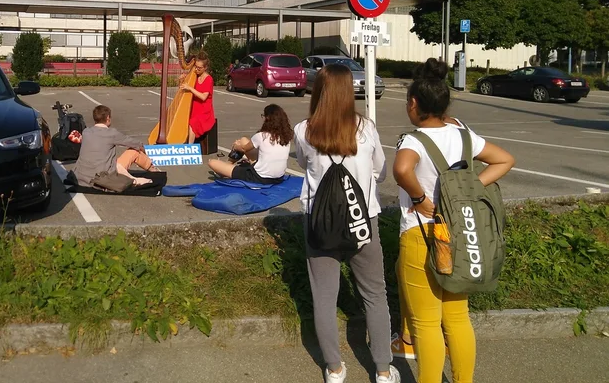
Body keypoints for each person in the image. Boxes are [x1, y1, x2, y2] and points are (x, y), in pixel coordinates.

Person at [393, 58, 514, 383]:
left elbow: (403, 170)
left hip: (423, 235)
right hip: (460, 233)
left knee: (426, 324)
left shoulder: (414, 140)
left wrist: (420, 199)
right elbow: (505, 159)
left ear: (414, 104)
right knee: (458, 318)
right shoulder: (464, 136)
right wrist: (471, 187)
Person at [294, 64, 400, 383]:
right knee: (374, 293)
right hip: (362, 219)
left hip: (319, 221)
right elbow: (381, 170)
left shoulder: (304, 130)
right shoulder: (366, 128)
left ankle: (335, 369)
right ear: (348, 93)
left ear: (319, 91)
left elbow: (302, 163)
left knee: (324, 297)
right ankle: (383, 369)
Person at [73, 105, 159, 188]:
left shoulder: (86, 131)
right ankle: (154, 170)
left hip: (82, 177)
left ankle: (152, 169)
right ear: (107, 118)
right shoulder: (112, 133)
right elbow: (135, 143)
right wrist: (143, 149)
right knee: (134, 151)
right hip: (102, 176)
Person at [207, 103, 291, 183]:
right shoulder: (286, 137)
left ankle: (225, 168)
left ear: (268, 118)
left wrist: (236, 146)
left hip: (259, 177)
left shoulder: (261, 136)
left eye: (263, 116)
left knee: (212, 162)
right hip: (279, 177)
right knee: (243, 140)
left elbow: (243, 148)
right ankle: (227, 165)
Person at [180, 52, 215, 144]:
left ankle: (190, 147)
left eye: (199, 68)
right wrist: (182, 80)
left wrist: (190, 88)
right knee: (183, 119)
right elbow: (184, 89)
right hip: (194, 108)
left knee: (193, 122)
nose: (196, 69)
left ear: (205, 68)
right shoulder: (194, 76)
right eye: (195, 66)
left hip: (204, 111)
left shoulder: (209, 79)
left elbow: (203, 97)